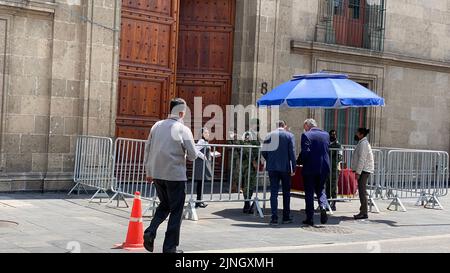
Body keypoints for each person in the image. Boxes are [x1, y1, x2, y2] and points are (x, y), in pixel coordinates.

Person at [143, 98, 204, 253]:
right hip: (175, 175)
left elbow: (147, 149)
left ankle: (150, 231)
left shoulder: (156, 126)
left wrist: (149, 171)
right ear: (182, 112)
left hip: (157, 174)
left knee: (164, 205)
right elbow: (192, 155)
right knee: (176, 211)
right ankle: (170, 248)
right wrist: (195, 152)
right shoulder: (183, 129)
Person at [262, 120, 296, 226]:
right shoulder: (289, 136)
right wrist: (293, 168)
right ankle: (286, 217)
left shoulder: (269, 135)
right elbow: (292, 153)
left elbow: (264, 151)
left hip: (272, 167)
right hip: (285, 168)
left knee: (274, 193)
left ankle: (274, 218)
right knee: (286, 192)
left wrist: (270, 160)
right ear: (284, 126)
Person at [298, 119, 330, 226]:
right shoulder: (326, 135)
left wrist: (300, 161)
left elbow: (305, 151)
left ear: (308, 125)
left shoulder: (306, 135)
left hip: (310, 168)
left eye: (304, 125)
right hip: (324, 167)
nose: (304, 128)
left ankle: (310, 218)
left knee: (309, 193)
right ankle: (323, 206)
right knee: (321, 189)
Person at [351, 128, 374, 220]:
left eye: (357, 133)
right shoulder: (362, 142)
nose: (356, 134)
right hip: (364, 169)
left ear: (361, 134)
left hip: (364, 170)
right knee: (362, 191)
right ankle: (363, 211)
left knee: (362, 191)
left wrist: (358, 172)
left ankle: (363, 212)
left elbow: (362, 159)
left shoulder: (363, 144)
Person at [194, 127, 220, 208]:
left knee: (201, 183)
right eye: (206, 133)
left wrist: (212, 154)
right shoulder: (201, 141)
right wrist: (203, 156)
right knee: (200, 183)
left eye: (208, 133)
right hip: (201, 164)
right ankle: (198, 201)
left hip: (203, 164)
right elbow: (195, 150)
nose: (208, 134)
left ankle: (199, 200)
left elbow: (206, 152)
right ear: (202, 134)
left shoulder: (205, 142)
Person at [327, 129, 343, 211]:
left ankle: (333, 204)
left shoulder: (338, 145)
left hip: (334, 169)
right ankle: (327, 203)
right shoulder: (327, 144)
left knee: (333, 186)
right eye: (331, 134)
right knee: (327, 186)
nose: (333, 136)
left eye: (334, 134)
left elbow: (340, 158)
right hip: (327, 168)